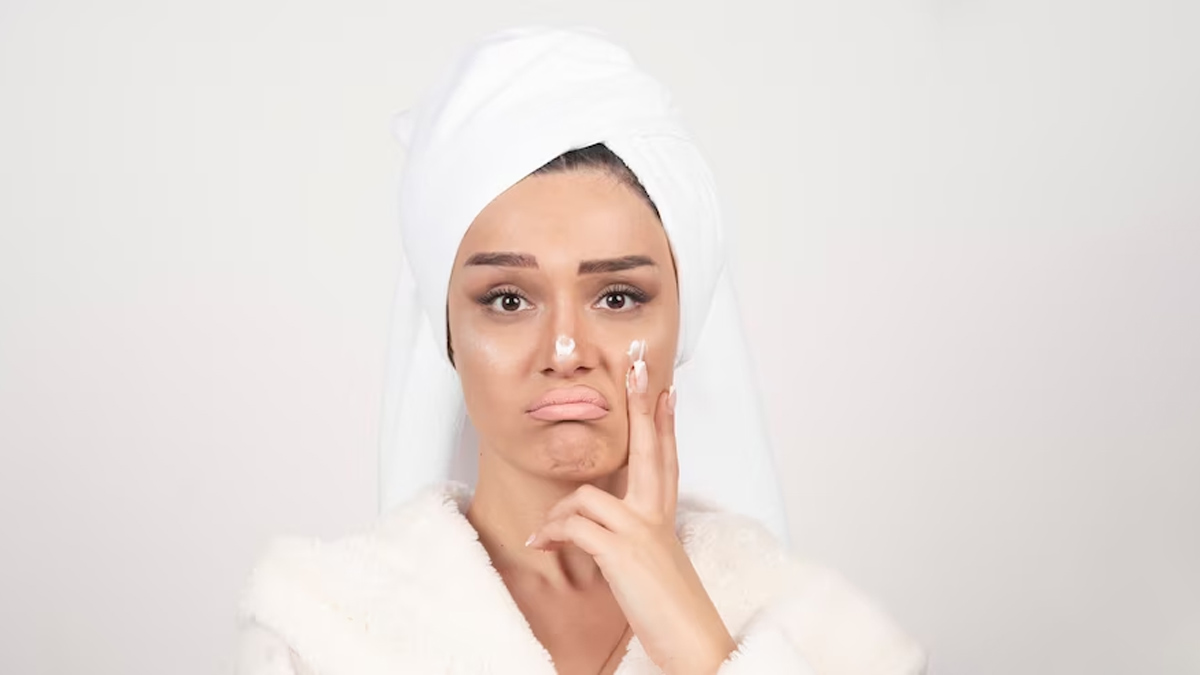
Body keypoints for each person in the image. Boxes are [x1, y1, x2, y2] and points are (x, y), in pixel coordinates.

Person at [234, 25, 928, 675]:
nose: (565, 351)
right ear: (447, 333)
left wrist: (698, 641)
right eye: (508, 300)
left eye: (617, 297)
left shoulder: (828, 636)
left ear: (684, 323)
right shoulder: (316, 631)